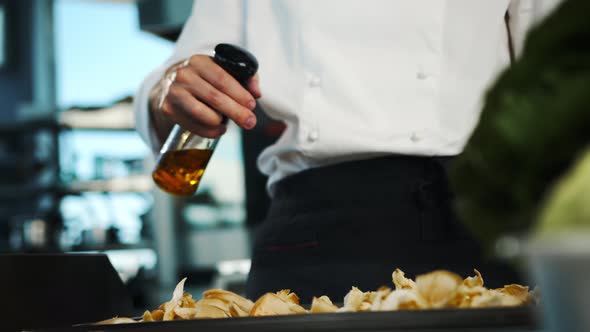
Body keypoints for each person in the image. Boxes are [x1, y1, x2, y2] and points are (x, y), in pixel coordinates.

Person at [135, 0, 560, 302]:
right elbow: (175, 79)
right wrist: (174, 90)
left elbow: (559, 70)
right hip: (314, 235)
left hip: (480, 226)